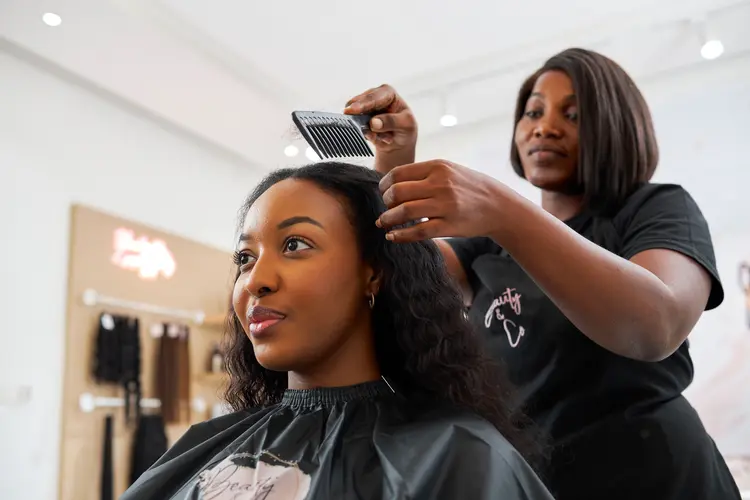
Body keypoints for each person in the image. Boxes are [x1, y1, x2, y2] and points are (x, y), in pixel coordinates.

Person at [345, 47, 742, 499]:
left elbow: (656, 326)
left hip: (662, 481)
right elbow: (405, 276)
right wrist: (395, 161)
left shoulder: (654, 208)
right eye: (533, 112)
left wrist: (503, 210)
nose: (544, 127)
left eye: (572, 115)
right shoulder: (489, 245)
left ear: (616, 126)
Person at [121, 162, 553, 500]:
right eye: (245, 258)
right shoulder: (207, 444)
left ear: (374, 273)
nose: (255, 281)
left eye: (295, 245)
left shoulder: (457, 455)